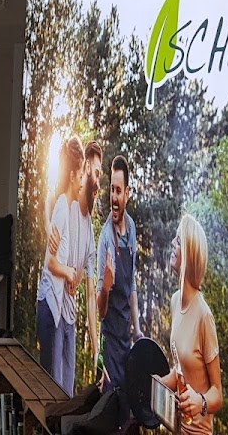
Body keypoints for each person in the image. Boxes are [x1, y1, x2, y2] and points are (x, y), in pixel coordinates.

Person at [155, 214, 224, 434]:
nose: (172, 244)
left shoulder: (204, 316)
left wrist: (201, 402)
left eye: (178, 241)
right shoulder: (176, 302)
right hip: (179, 429)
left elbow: (217, 394)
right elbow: (181, 369)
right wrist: (158, 384)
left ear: (189, 254)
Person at [44, 140, 103, 395]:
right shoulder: (66, 203)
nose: (98, 180)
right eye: (97, 172)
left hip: (70, 319)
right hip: (54, 309)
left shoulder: (90, 234)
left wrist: (96, 345)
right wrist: (47, 227)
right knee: (53, 388)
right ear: (86, 168)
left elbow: (90, 295)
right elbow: (49, 197)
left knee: (67, 393)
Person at [37, 137, 85, 391]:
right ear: (73, 174)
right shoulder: (63, 208)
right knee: (51, 386)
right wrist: (69, 272)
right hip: (49, 306)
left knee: (59, 386)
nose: (83, 179)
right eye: (81, 172)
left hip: (57, 307)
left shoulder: (69, 207)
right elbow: (51, 262)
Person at [93, 155, 142, 393]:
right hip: (109, 344)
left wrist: (137, 329)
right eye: (111, 190)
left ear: (127, 194)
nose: (113, 197)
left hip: (126, 342)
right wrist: (106, 287)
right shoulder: (105, 240)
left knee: (126, 406)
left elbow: (131, 284)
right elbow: (100, 311)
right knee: (107, 405)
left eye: (118, 191)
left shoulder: (131, 228)